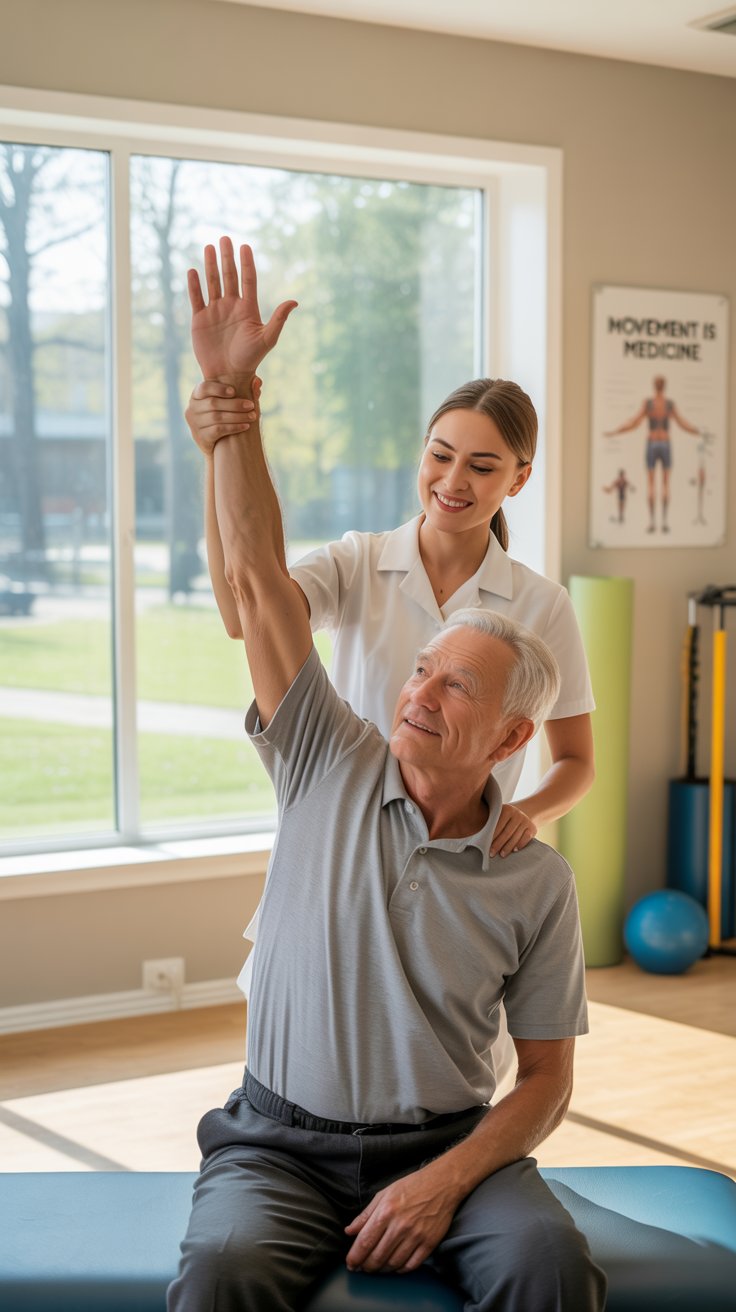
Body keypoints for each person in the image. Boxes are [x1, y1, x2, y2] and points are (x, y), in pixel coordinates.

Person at [168, 238, 606, 1312]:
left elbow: (547, 1076)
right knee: (224, 1269)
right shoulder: (334, 737)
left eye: (453, 685)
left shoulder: (535, 873)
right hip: (333, 835)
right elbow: (254, 596)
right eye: (417, 670)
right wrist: (231, 415)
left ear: (507, 735)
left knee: (549, 1269)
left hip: (446, 1112)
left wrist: (520, 819)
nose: (417, 693)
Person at [604, 374, 699, 533]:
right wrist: (697, 431)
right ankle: (664, 523)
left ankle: (652, 523)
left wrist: (616, 431)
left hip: (652, 443)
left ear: (654, 386)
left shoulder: (649, 404)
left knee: (651, 484)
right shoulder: (668, 404)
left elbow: (634, 422)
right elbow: (682, 423)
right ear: (664, 386)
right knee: (665, 484)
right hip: (665, 443)